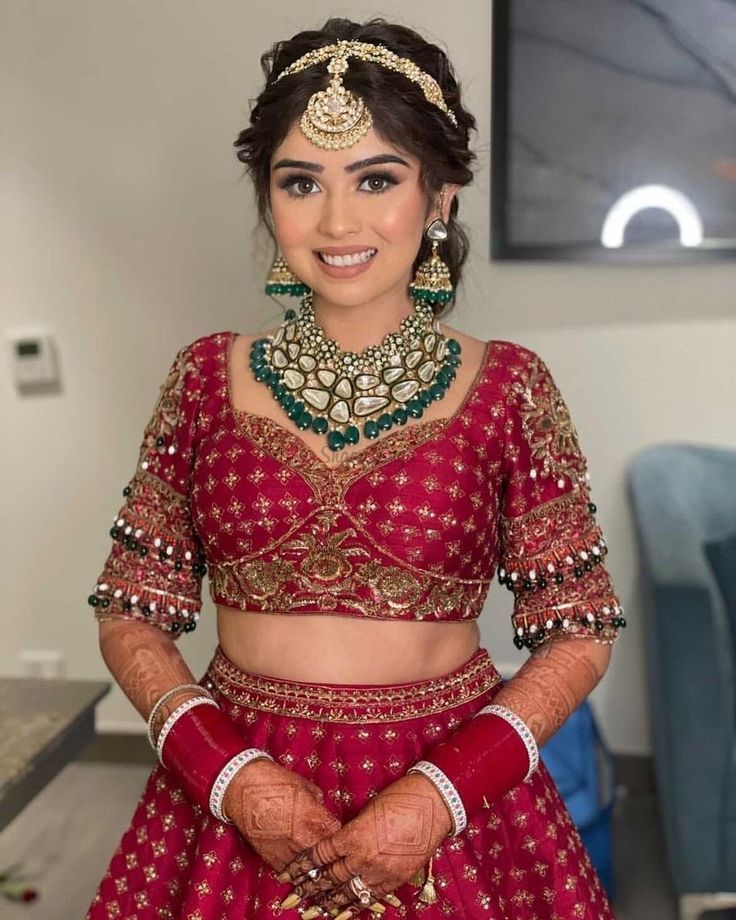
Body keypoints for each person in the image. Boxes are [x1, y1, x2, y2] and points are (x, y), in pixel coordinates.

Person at [85, 16, 627, 920]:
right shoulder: (203, 380)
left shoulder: (508, 390)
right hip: (234, 800)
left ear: (442, 195)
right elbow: (129, 612)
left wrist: (436, 798)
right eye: (302, 183)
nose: (338, 221)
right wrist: (232, 778)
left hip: (453, 804)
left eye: (377, 179)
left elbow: (580, 629)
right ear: (269, 200)